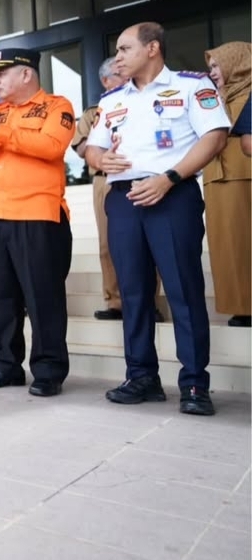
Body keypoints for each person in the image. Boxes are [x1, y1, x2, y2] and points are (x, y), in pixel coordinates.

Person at [85, 22, 230, 416]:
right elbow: (93, 149)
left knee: (183, 289)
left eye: (124, 48)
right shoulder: (112, 99)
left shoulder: (190, 86)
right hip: (123, 199)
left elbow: (215, 136)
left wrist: (170, 178)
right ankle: (141, 376)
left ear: (152, 49)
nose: (117, 57)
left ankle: (195, 383)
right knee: (133, 292)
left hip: (172, 195)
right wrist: (101, 158)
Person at [0, 48, 75, 398]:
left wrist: (2, 133)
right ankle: (6, 366)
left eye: (2, 72)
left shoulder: (56, 106)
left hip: (38, 215)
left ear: (26, 74)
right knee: (0, 298)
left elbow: (52, 146)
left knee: (43, 297)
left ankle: (48, 370)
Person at [72, 59, 168, 323]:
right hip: (106, 180)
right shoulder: (95, 112)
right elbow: (81, 149)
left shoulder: (146, 102)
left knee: (149, 242)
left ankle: (150, 302)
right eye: (118, 74)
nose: (126, 77)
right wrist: (103, 136)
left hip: (145, 177)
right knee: (108, 244)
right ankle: (115, 301)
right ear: (105, 81)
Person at [204, 42, 251, 329]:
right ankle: (240, 307)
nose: (212, 72)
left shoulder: (249, 92)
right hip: (215, 176)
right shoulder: (211, 97)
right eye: (210, 67)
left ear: (237, 62)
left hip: (243, 174)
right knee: (225, 246)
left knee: (245, 241)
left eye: (216, 65)